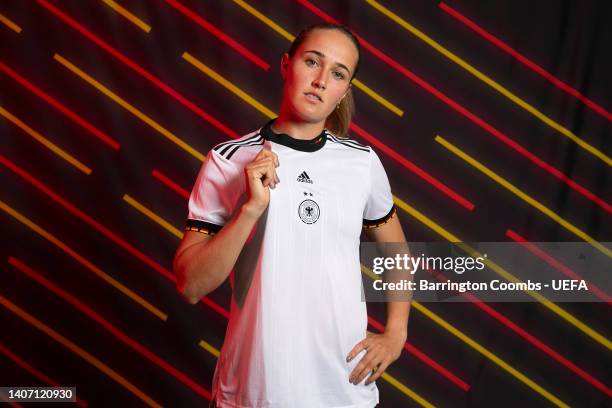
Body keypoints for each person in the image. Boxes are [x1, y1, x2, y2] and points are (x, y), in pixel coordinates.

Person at [173, 22, 411, 408]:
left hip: (343, 392)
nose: (320, 80)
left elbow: (397, 251)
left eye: (337, 73)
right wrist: (250, 211)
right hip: (255, 391)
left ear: (344, 91)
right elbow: (191, 286)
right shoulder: (229, 161)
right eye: (312, 62)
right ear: (286, 65)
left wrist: (396, 334)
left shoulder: (361, 163)